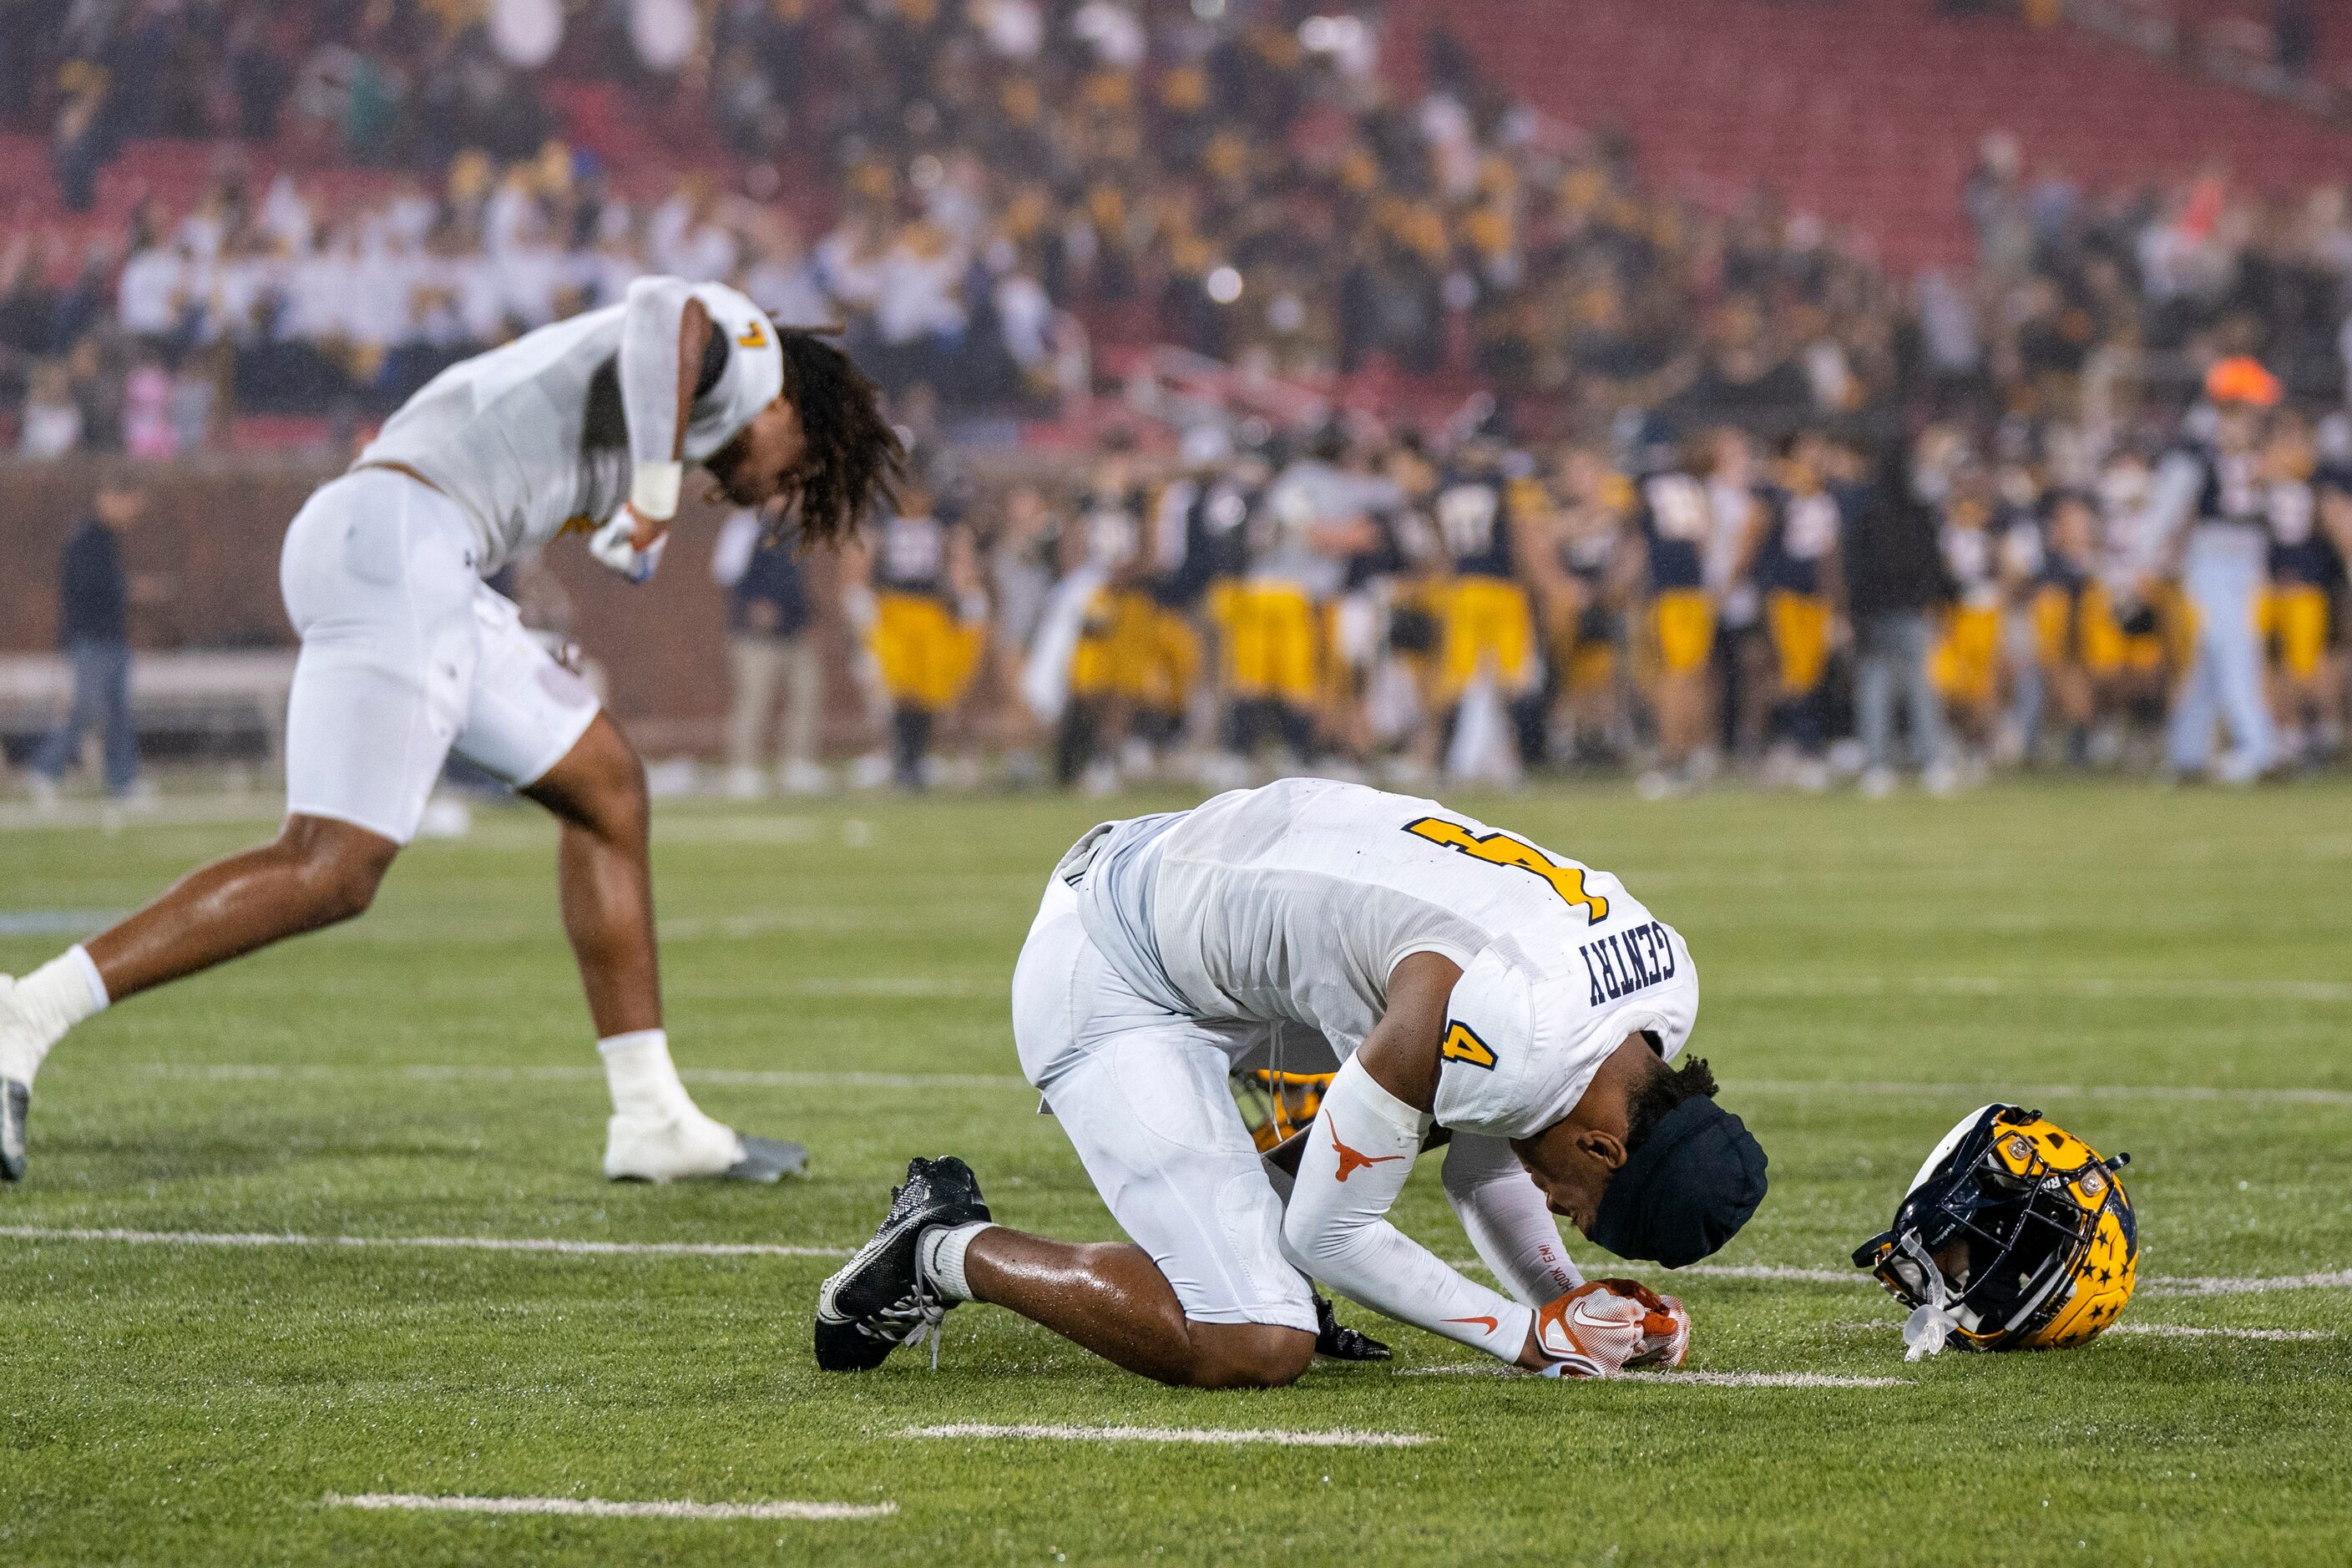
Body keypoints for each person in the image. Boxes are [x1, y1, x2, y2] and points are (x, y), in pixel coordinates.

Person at [0, 279, 904, 1186]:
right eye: (806, 464)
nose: (789, 490)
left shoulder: (693, 407)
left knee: (606, 785)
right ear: (787, 402)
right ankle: (27, 1013)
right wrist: (657, 493)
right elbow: (669, 314)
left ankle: (652, 1115)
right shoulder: (746, 359)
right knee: (332, 865)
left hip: (418, 553)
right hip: (404, 540)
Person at [814, 778, 1768, 1387]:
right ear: (1605, 1144)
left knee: (1411, 1112)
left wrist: (1562, 1295)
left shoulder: (1653, 999)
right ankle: (940, 1245)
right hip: (1115, 963)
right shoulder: (1507, 1034)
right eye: (1578, 1207)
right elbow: (1339, 1226)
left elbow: (1483, 1160)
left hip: (1211, 886)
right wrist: (1529, 1335)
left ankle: (1243, 1247)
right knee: (1254, 1339)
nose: (1557, 1207)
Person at [2161, 359, 2281, 783]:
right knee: (2237, 654)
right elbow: (2166, 514)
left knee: (2212, 665)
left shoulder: (2250, 452)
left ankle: (2186, 754)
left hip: (2244, 565)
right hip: (2209, 564)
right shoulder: (2195, 451)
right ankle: (2258, 750)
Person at [29, 478, 149, 806]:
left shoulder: (107, 540)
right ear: (111, 497)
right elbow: (85, 592)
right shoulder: (85, 540)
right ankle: (46, 767)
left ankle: (123, 781)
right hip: (92, 641)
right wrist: (125, 592)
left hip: (112, 639)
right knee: (84, 708)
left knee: (119, 711)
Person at [712, 506, 829, 798]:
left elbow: (796, 581)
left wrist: (808, 615)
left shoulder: (795, 529)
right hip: (755, 635)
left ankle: (797, 762)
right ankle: (743, 767)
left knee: (808, 691)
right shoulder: (745, 526)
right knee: (755, 698)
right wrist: (752, 605)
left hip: (793, 629)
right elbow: (726, 572)